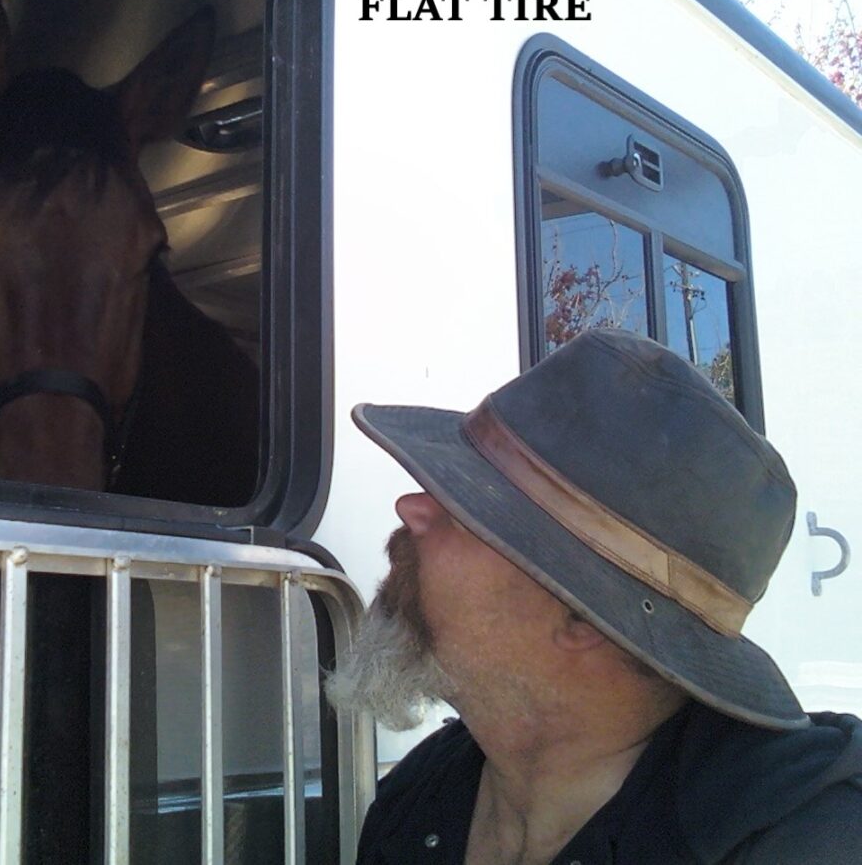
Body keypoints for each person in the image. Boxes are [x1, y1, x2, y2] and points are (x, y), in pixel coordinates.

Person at [326, 328, 862, 864]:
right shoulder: (425, 793)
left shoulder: (801, 838)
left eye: (471, 505)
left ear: (584, 618)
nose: (411, 508)